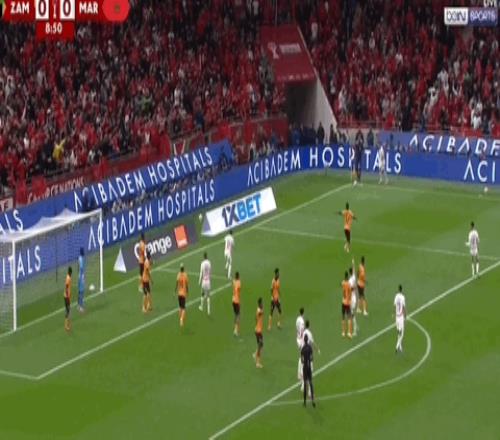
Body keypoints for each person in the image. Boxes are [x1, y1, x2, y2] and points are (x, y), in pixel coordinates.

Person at [301, 334, 316, 408]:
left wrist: (304, 362)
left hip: (305, 368)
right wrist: (309, 361)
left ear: (304, 340)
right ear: (308, 340)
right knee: (310, 383)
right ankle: (313, 400)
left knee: (305, 384)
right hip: (309, 367)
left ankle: (304, 402)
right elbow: (312, 358)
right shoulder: (310, 347)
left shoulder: (303, 349)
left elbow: (302, 360)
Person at [394, 285, 406, 353]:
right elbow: (403, 307)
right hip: (401, 317)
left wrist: (394, 313)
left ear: (398, 289)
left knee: (398, 332)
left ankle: (400, 346)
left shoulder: (396, 296)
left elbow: (394, 305)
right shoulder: (403, 297)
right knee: (402, 333)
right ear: (402, 290)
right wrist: (405, 316)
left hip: (396, 316)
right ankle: (397, 346)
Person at [296, 308, 305, 386]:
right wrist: (302, 338)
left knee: (301, 355)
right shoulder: (302, 321)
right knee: (302, 357)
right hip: (301, 339)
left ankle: (299, 375)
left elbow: (296, 327)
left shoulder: (297, 319)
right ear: (303, 313)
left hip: (297, 338)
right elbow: (302, 330)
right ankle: (300, 374)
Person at [341, 271, 353, 338]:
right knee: (349, 318)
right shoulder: (348, 284)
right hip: (348, 303)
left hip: (343, 302)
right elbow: (350, 292)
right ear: (347, 276)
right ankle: (348, 332)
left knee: (343, 317)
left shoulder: (343, 282)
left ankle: (343, 332)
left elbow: (341, 284)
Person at [253, 297, 264, 368]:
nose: (263, 304)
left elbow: (255, 318)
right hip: (258, 331)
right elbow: (260, 313)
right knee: (260, 345)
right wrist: (262, 310)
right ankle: (257, 363)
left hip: (258, 330)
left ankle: (255, 354)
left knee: (260, 345)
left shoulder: (258, 310)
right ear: (260, 303)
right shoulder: (259, 311)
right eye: (262, 302)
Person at [349, 263, 358, 336]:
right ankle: (356, 326)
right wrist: (353, 264)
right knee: (352, 314)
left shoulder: (350, 280)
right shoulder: (354, 277)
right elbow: (354, 271)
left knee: (352, 314)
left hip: (352, 298)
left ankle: (355, 329)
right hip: (354, 297)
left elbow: (351, 289)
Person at [232, 272, 241, 336]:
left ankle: (235, 329)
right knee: (238, 315)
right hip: (237, 300)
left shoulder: (233, 281)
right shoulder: (239, 282)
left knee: (235, 315)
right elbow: (239, 290)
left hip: (233, 300)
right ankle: (236, 331)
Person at [64, 267, 72, 332]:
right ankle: (66, 326)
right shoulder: (68, 278)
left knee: (68, 310)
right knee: (68, 310)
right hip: (66, 297)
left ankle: (68, 323)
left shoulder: (68, 277)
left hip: (67, 296)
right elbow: (66, 286)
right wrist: (67, 296)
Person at [77, 247, 85, 313]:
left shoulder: (79, 258)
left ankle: (78, 305)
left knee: (80, 291)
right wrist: (82, 277)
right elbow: (81, 268)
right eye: (83, 251)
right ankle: (81, 307)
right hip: (81, 276)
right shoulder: (81, 258)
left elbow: (78, 267)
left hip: (79, 276)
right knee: (81, 292)